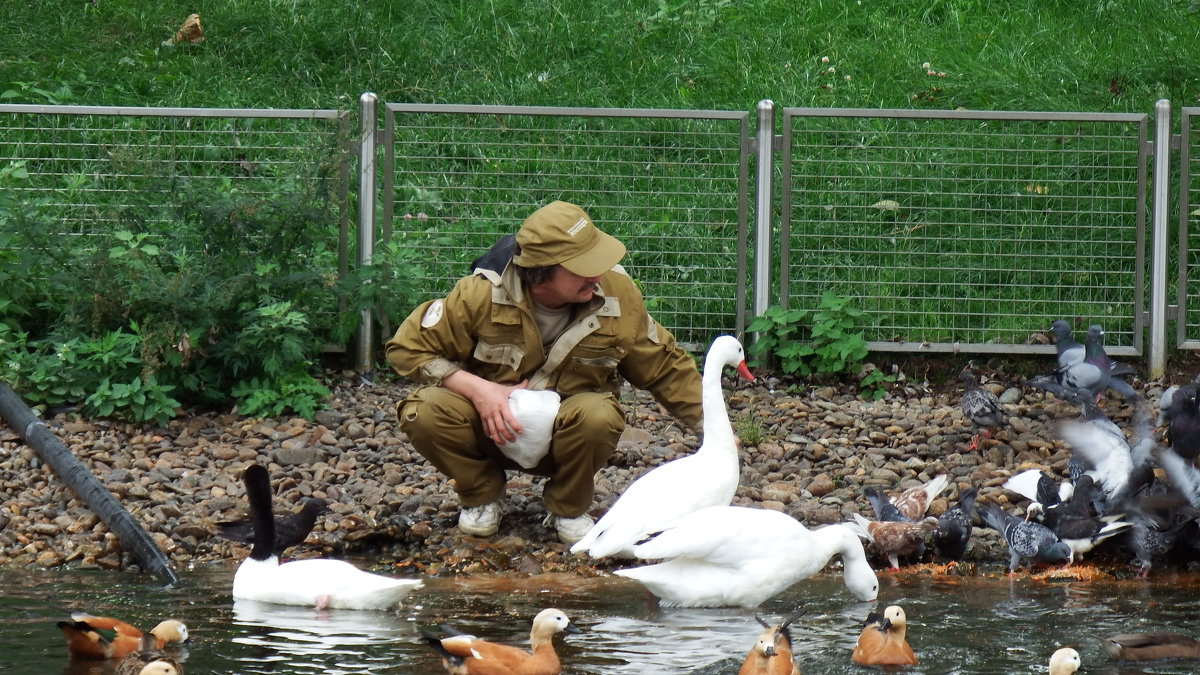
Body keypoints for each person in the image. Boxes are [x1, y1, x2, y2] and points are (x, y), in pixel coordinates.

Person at [385, 200, 703, 544]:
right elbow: (405, 347)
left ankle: (568, 507)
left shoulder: (618, 294)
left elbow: (665, 366)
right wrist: (479, 390)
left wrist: (711, 427)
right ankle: (481, 494)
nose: (596, 275)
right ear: (540, 271)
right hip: (491, 430)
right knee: (425, 410)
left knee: (599, 415)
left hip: (570, 436)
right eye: (582, 267)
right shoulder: (480, 294)